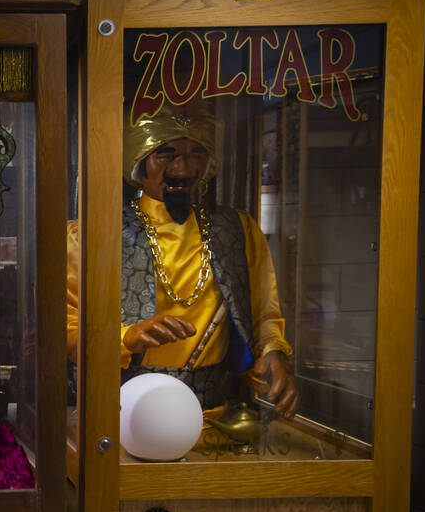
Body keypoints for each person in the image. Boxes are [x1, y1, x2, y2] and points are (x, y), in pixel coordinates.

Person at [67, 102, 299, 419]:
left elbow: (264, 313)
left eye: (197, 153)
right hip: (122, 419)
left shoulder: (238, 230)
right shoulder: (91, 234)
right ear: (140, 162)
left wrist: (274, 353)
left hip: (214, 417)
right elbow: (65, 327)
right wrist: (125, 338)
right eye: (167, 154)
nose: (184, 168)